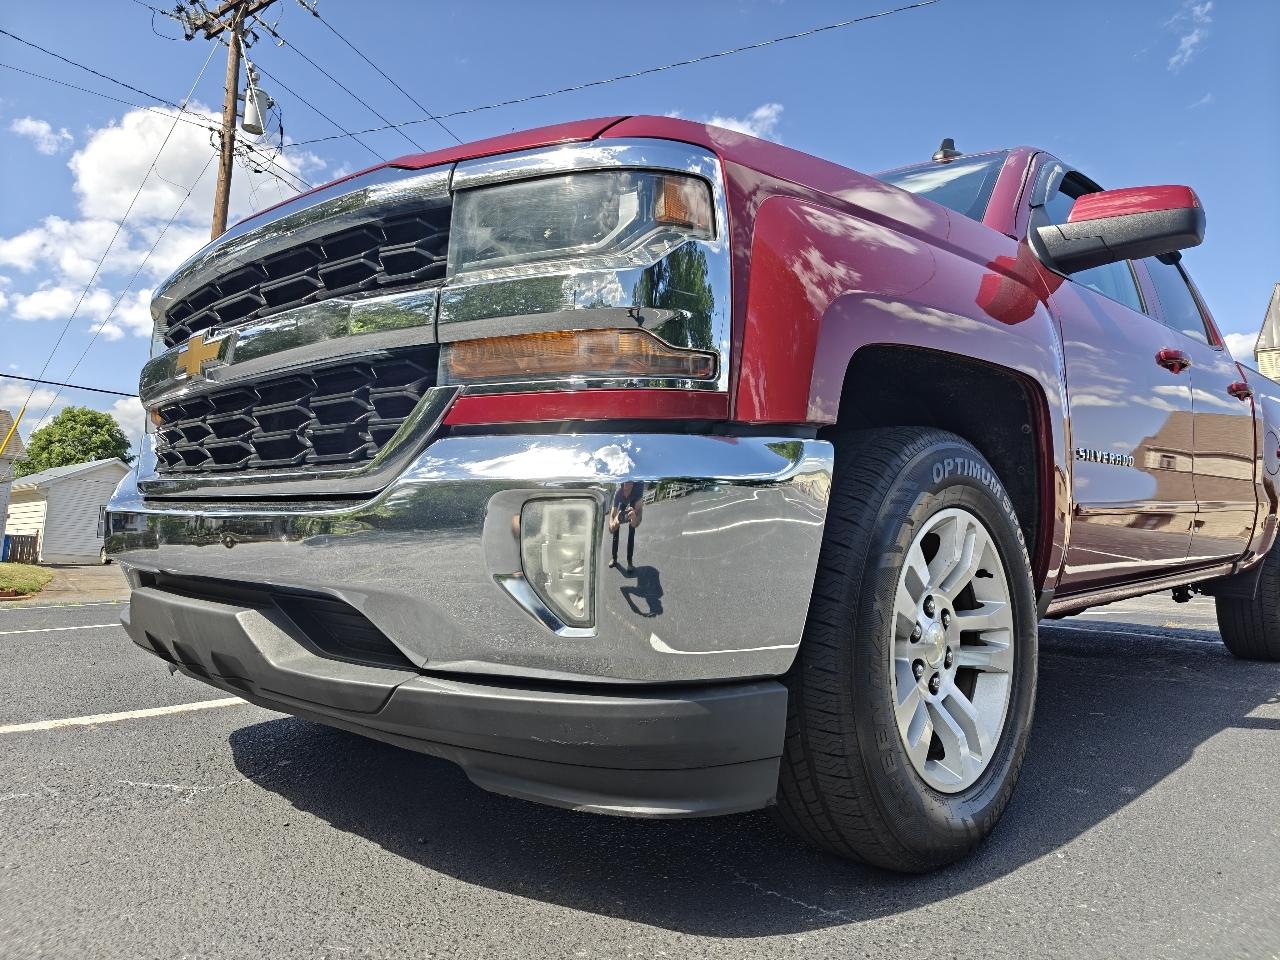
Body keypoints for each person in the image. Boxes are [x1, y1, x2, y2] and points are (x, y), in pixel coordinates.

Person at [608, 481, 644, 571]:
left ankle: (629, 561)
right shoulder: (618, 493)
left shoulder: (638, 489)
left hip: (633, 502)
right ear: (621, 485)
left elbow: (639, 516)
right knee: (616, 528)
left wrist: (634, 520)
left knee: (632, 530)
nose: (627, 491)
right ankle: (614, 558)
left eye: (630, 485)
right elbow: (612, 516)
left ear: (633, 484)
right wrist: (614, 523)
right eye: (625, 488)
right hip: (622, 502)